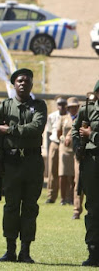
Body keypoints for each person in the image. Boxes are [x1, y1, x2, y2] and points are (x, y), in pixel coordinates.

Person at [0, 68, 47, 263]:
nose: (23, 83)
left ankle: (25, 251)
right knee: (11, 207)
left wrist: (11, 130)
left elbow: (36, 128)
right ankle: (10, 250)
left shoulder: (39, 106)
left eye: (26, 81)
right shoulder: (4, 107)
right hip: (11, 163)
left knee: (30, 207)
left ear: (31, 85)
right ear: (14, 85)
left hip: (32, 162)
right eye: (19, 81)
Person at [73, 82, 99, 265]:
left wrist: (92, 135)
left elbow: (88, 133)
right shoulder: (87, 109)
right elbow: (75, 130)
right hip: (92, 163)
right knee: (93, 208)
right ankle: (93, 252)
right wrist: (77, 148)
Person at [45, 97, 67, 203]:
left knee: (65, 171)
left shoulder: (69, 117)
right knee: (52, 171)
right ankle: (51, 196)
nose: (61, 106)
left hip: (66, 145)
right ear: (56, 105)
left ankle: (65, 197)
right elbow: (49, 132)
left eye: (63, 104)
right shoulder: (52, 116)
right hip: (54, 143)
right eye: (59, 104)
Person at [58, 98, 78, 205]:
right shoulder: (64, 118)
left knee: (74, 175)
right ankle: (63, 198)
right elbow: (59, 132)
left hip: (75, 149)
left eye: (75, 107)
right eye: (71, 107)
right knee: (63, 174)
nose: (73, 109)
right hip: (64, 149)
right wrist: (63, 138)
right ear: (68, 108)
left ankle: (71, 198)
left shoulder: (80, 118)